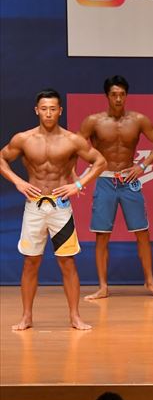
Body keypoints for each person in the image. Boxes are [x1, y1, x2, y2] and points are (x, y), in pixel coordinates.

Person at [0, 89, 106, 330]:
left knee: (67, 262)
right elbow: (2, 158)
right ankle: (26, 316)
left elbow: (100, 162)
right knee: (31, 262)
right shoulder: (24, 139)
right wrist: (18, 182)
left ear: (60, 111)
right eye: (44, 109)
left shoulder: (72, 140)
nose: (48, 113)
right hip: (34, 207)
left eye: (53, 109)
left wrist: (78, 185)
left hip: (61, 208)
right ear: (37, 110)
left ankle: (75, 316)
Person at [78, 75, 153, 299]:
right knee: (102, 235)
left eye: (122, 95)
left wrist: (143, 166)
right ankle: (102, 286)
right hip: (105, 180)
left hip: (129, 181)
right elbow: (74, 145)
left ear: (126, 95)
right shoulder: (93, 121)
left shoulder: (138, 120)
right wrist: (77, 174)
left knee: (142, 233)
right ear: (107, 96)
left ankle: (150, 282)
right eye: (114, 95)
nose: (118, 99)